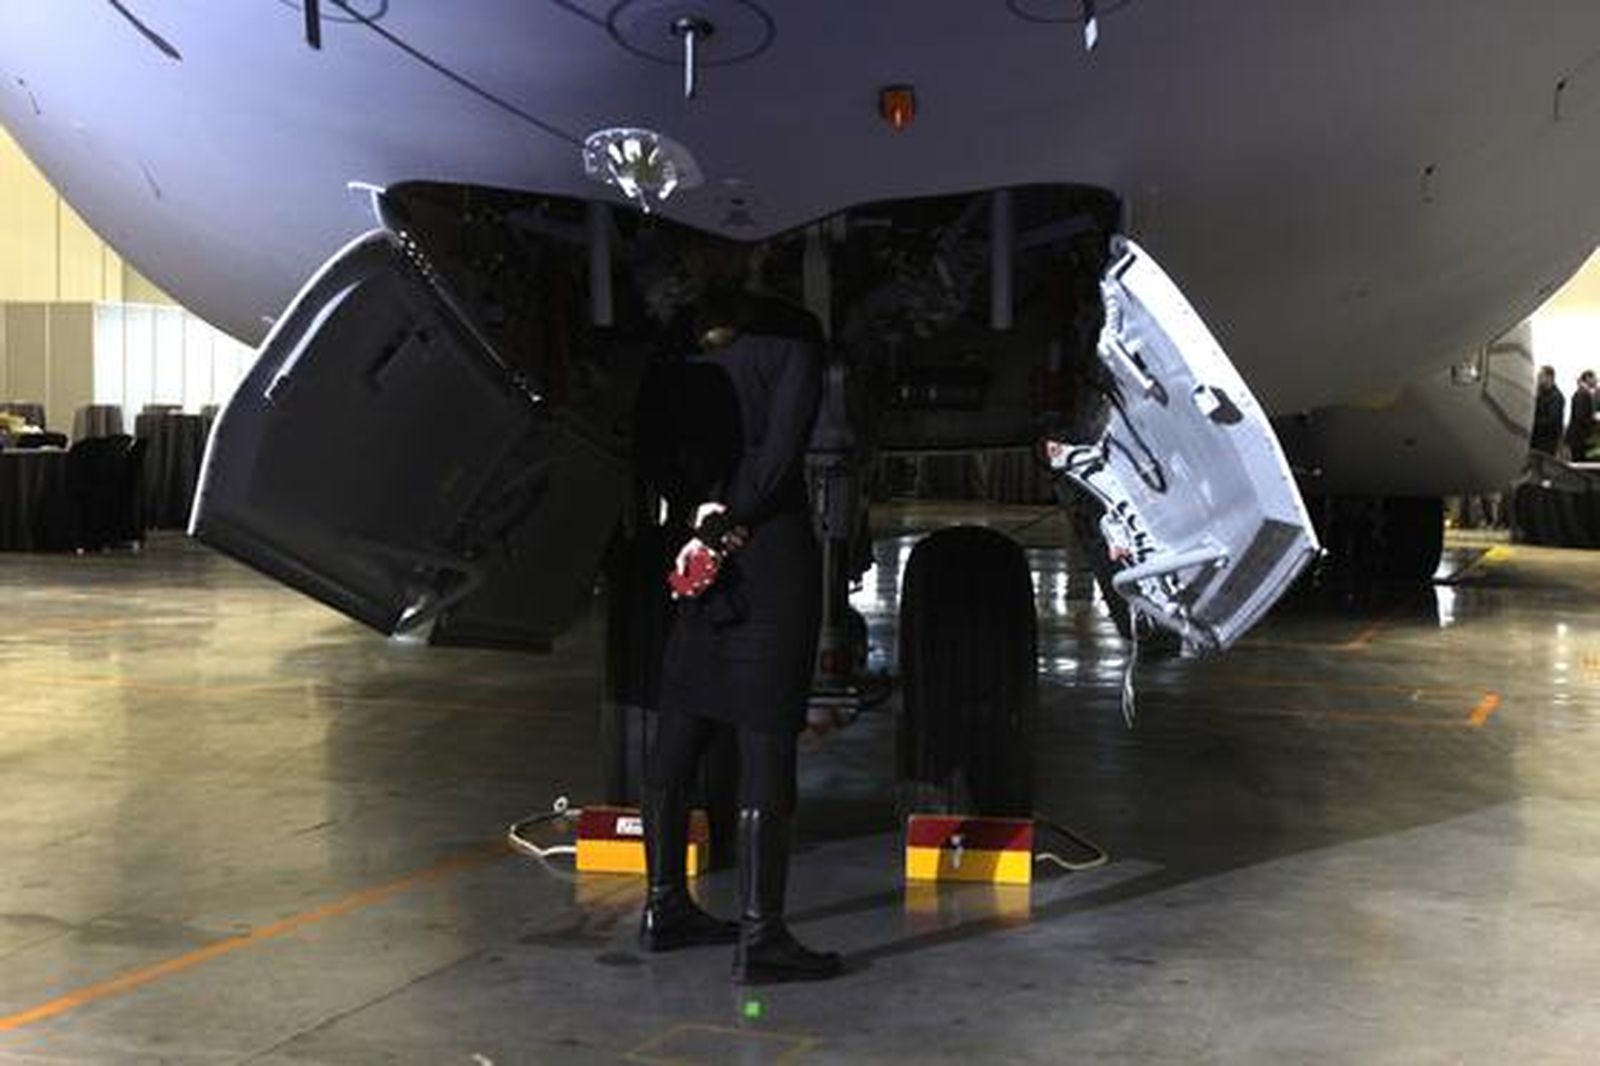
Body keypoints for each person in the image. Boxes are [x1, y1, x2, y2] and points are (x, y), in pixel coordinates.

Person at [633, 236, 838, 985]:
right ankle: (763, 934)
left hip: (690, 551)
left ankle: (662, 906)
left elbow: (647, 447)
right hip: (766, 555)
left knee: (679, 728)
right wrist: (731, 525)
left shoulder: (673, 338)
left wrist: (695, 525)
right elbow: (784, 453)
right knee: (765, 741)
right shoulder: (795, 333)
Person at [1530, 365, 1565, 456]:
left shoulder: (1556, 397)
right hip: (1536, 441)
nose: (1538, 379)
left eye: (1541, 376)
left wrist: (1532, 423)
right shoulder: (1541, 394)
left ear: (1549, 377)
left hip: (1546, 444)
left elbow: (1551, 421)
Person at [1566, 369, 1598, 462]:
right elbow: (1581, 416)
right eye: (1594, 378)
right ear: (1588, 378)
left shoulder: (1582, 392)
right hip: (1580, 438)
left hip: (1578, 438)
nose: (1596, 381)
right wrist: (1594, 421)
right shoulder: (1583, 394)